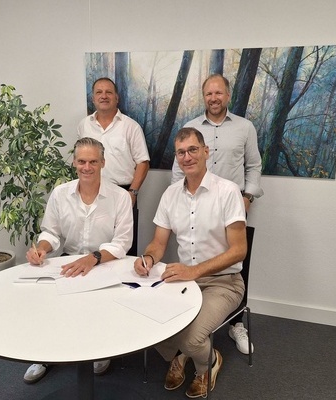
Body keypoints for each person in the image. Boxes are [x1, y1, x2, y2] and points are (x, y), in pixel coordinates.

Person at [134, 127, 247, 398]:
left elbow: (239, 251)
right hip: (185, 280)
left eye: (193, 150)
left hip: (225, 283)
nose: (187, 157)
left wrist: (194, 271)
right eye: (181, 152)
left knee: (191, 338)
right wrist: (148, 257)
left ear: (206, 152)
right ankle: (183, 354)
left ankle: (208, 363)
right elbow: (158, 243)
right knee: (148, 320)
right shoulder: (170, 194)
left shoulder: (228, 191)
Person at [23, 137, 133, 384]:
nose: (87, 167)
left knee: (98, 306)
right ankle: (45, 355)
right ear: (74, 162)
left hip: (106, 262)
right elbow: (51, 232)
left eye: (93, 161)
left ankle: (100, 349)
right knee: (46, 301)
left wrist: (92, 258)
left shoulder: (120, 197)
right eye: (81, 161)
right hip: (70, 259)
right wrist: (41, 249)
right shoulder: (60, 194)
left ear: (103, 163)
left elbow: (122, 242)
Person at [172, 73, 262, 355]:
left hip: (233, 208)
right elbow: (178, 172)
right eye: (209, 94)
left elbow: (254, 166)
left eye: (218, 93)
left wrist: (247, 197)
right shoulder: (189, 128)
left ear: (228, 95)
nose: (214, 98)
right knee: (196, 256)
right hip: (197, 205)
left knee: (236, 263)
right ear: (204, 97)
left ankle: (236, 323)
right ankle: (195, 318)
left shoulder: (245, 127)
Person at [77, 77, 150, 256]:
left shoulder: (130, 126)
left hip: (123, 193)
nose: (104, 96)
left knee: (124, 248)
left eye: (109, 92)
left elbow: (143, 162)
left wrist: (132, 192)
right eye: (99, 92)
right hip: (90, 193)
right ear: (93, 98)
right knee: (91, 245)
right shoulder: (84, 125)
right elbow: (81, 158)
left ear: (116, 98)